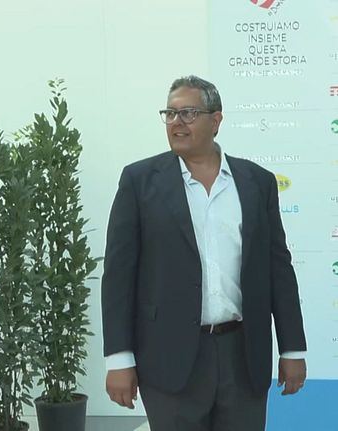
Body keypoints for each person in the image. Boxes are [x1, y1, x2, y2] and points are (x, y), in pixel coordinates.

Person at [102, 75, 307, 431]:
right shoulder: (139, 181)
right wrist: (119, 358)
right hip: (168, 357)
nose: (176, 122)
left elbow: (278, 270)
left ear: (216, 120)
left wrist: (292, 349)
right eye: (170, 114)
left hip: (243, 355)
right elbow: (118, 277)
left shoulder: (257, 182)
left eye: (188, 113)